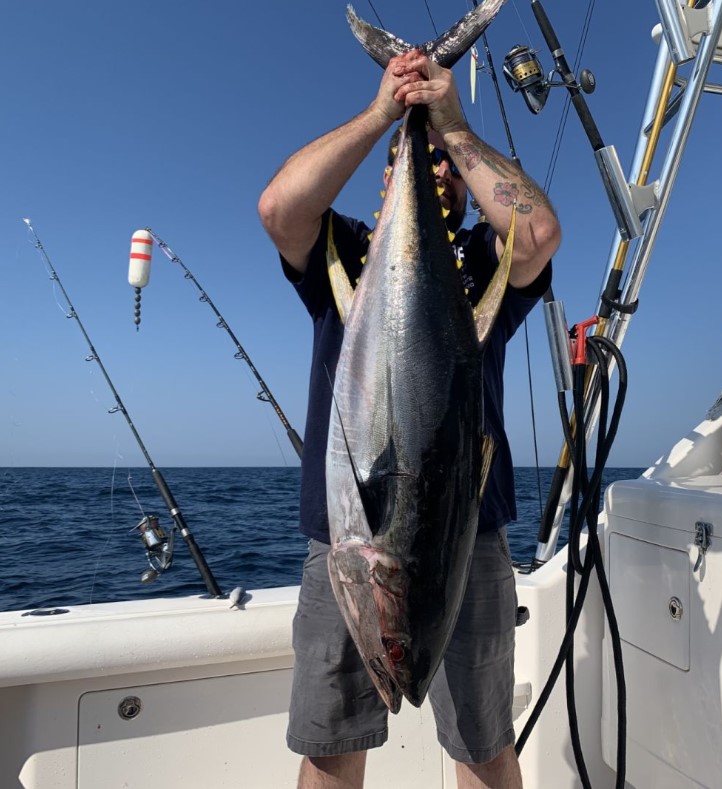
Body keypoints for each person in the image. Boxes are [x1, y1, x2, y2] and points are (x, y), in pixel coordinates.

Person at [258, 48, 560, 789]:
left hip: (469, 532)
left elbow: (539, 234)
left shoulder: (484, 258)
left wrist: (450, 124)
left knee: (484, 738)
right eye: (413, 164)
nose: (435, 174)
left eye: (448, 173)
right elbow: (278, 209)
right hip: (346, 533)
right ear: (387, 177)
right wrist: (382, 114)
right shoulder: (348, 248)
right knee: (331, 742)